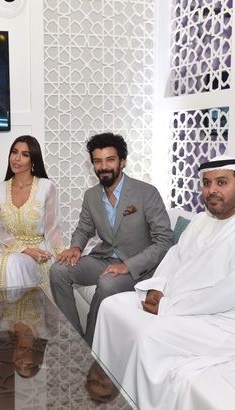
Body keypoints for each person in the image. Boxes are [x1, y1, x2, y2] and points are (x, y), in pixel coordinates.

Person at [92, 157, 235, 409]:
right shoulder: (202, 220)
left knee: (147, 335)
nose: (212, 190)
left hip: (229, 323)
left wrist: (168, 306)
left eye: (222, 183)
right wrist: (157, 287)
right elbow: (175, 257)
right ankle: (105, 391)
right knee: (111, 306)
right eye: (207, 183)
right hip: (180, 303)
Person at [49, 132, 173, 345]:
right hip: (105, 259)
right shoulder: (91, 196)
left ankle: (89, 346)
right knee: (58, 270)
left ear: (122, 162)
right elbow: (84, 229)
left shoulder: (146, 193)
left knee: (107, 283)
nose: (103, 166)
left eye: (110, 159)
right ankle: (73, 338)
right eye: (97, 161)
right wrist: (76, 247)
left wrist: (128, 266)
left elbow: (165, 241)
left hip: (139, 268)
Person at [0, 135, 65, 293]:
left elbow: (52, 229)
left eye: (25, 155)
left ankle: (22, 309)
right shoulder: (0, 189)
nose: (16, 158)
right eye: (14, 152)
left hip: (37, 248)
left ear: (33, 160)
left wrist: (62, 254)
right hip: (5, 245)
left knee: (13, 263)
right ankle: (1, 309)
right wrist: (24, 249)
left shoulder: (46, 187)